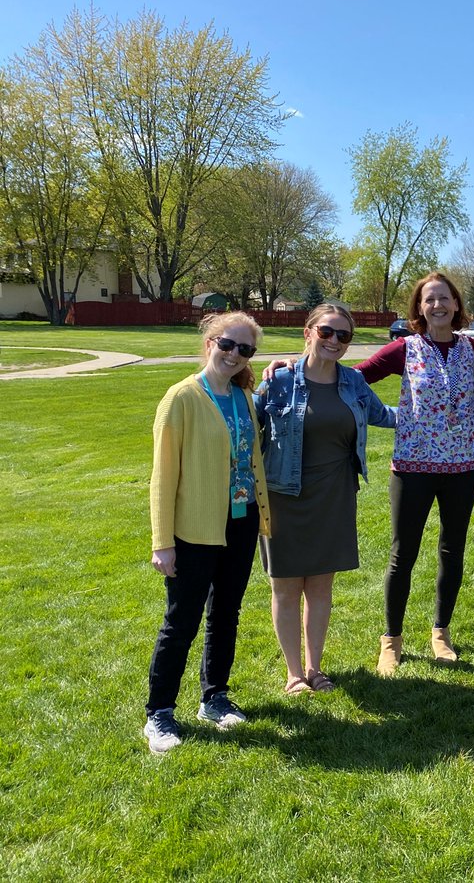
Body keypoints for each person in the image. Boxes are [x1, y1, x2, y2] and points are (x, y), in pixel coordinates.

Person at [144, 312, 271, 752]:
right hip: (194, 528)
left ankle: (214, 697)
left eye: (245, 349)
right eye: (227, 345)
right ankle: (159, 713)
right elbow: (162, 477)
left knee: (226, 614)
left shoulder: (244, 396)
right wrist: (162, 542)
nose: (234, 355)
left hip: (240, 522)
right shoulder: (181, 398)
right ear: (210, 343)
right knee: (181, 622)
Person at [255, 305, 397, 694]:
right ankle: (294, 673)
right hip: (284, 495)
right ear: (308, 332)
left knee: (320, 586)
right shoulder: (279, 381)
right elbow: (247, 422)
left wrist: (438, 415)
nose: (334, 341)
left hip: (334, 496)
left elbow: (384, 415)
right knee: (285, 588)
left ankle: (315, 668)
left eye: (344, 336)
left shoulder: (352, 382)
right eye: (327, 332)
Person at [354, 273, 474, 669]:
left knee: (452, 550)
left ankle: (441, 632)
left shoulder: (473, 351)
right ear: (419, 307)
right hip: (412, 468)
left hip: (463, 468)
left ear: (457, 305)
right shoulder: (405, 348)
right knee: (403, 554)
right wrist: (293, 368)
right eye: (429, 299)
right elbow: (353, 376)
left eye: (444, 298)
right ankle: (391, 639)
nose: (438, 306)